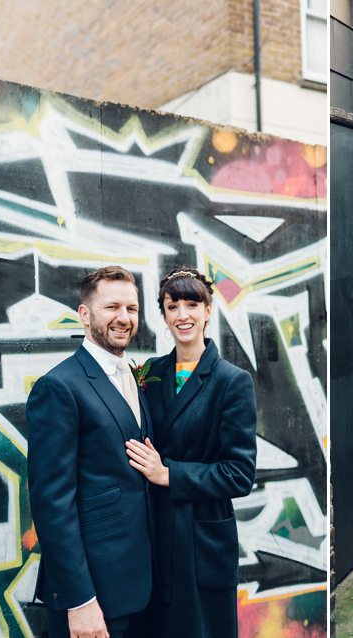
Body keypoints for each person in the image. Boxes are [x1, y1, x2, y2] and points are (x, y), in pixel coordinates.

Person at [125, 267, 257, 638]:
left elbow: (240, 474)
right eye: (173, 306)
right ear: (163, 316)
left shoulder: (232, 381)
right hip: (151, 532)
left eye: (192, 304)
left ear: (208, 310)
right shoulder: (150, 373)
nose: (183, 314)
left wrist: (168, 474)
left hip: (200, 540)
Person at [27, 266, 153, 638]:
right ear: (85, 315)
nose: (123, 318)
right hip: (93, 598)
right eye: (111, 306)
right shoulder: (59, 387)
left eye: (131, 308)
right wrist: (79, 601)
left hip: (139, 589)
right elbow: (51, 502)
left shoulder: (131, 374)